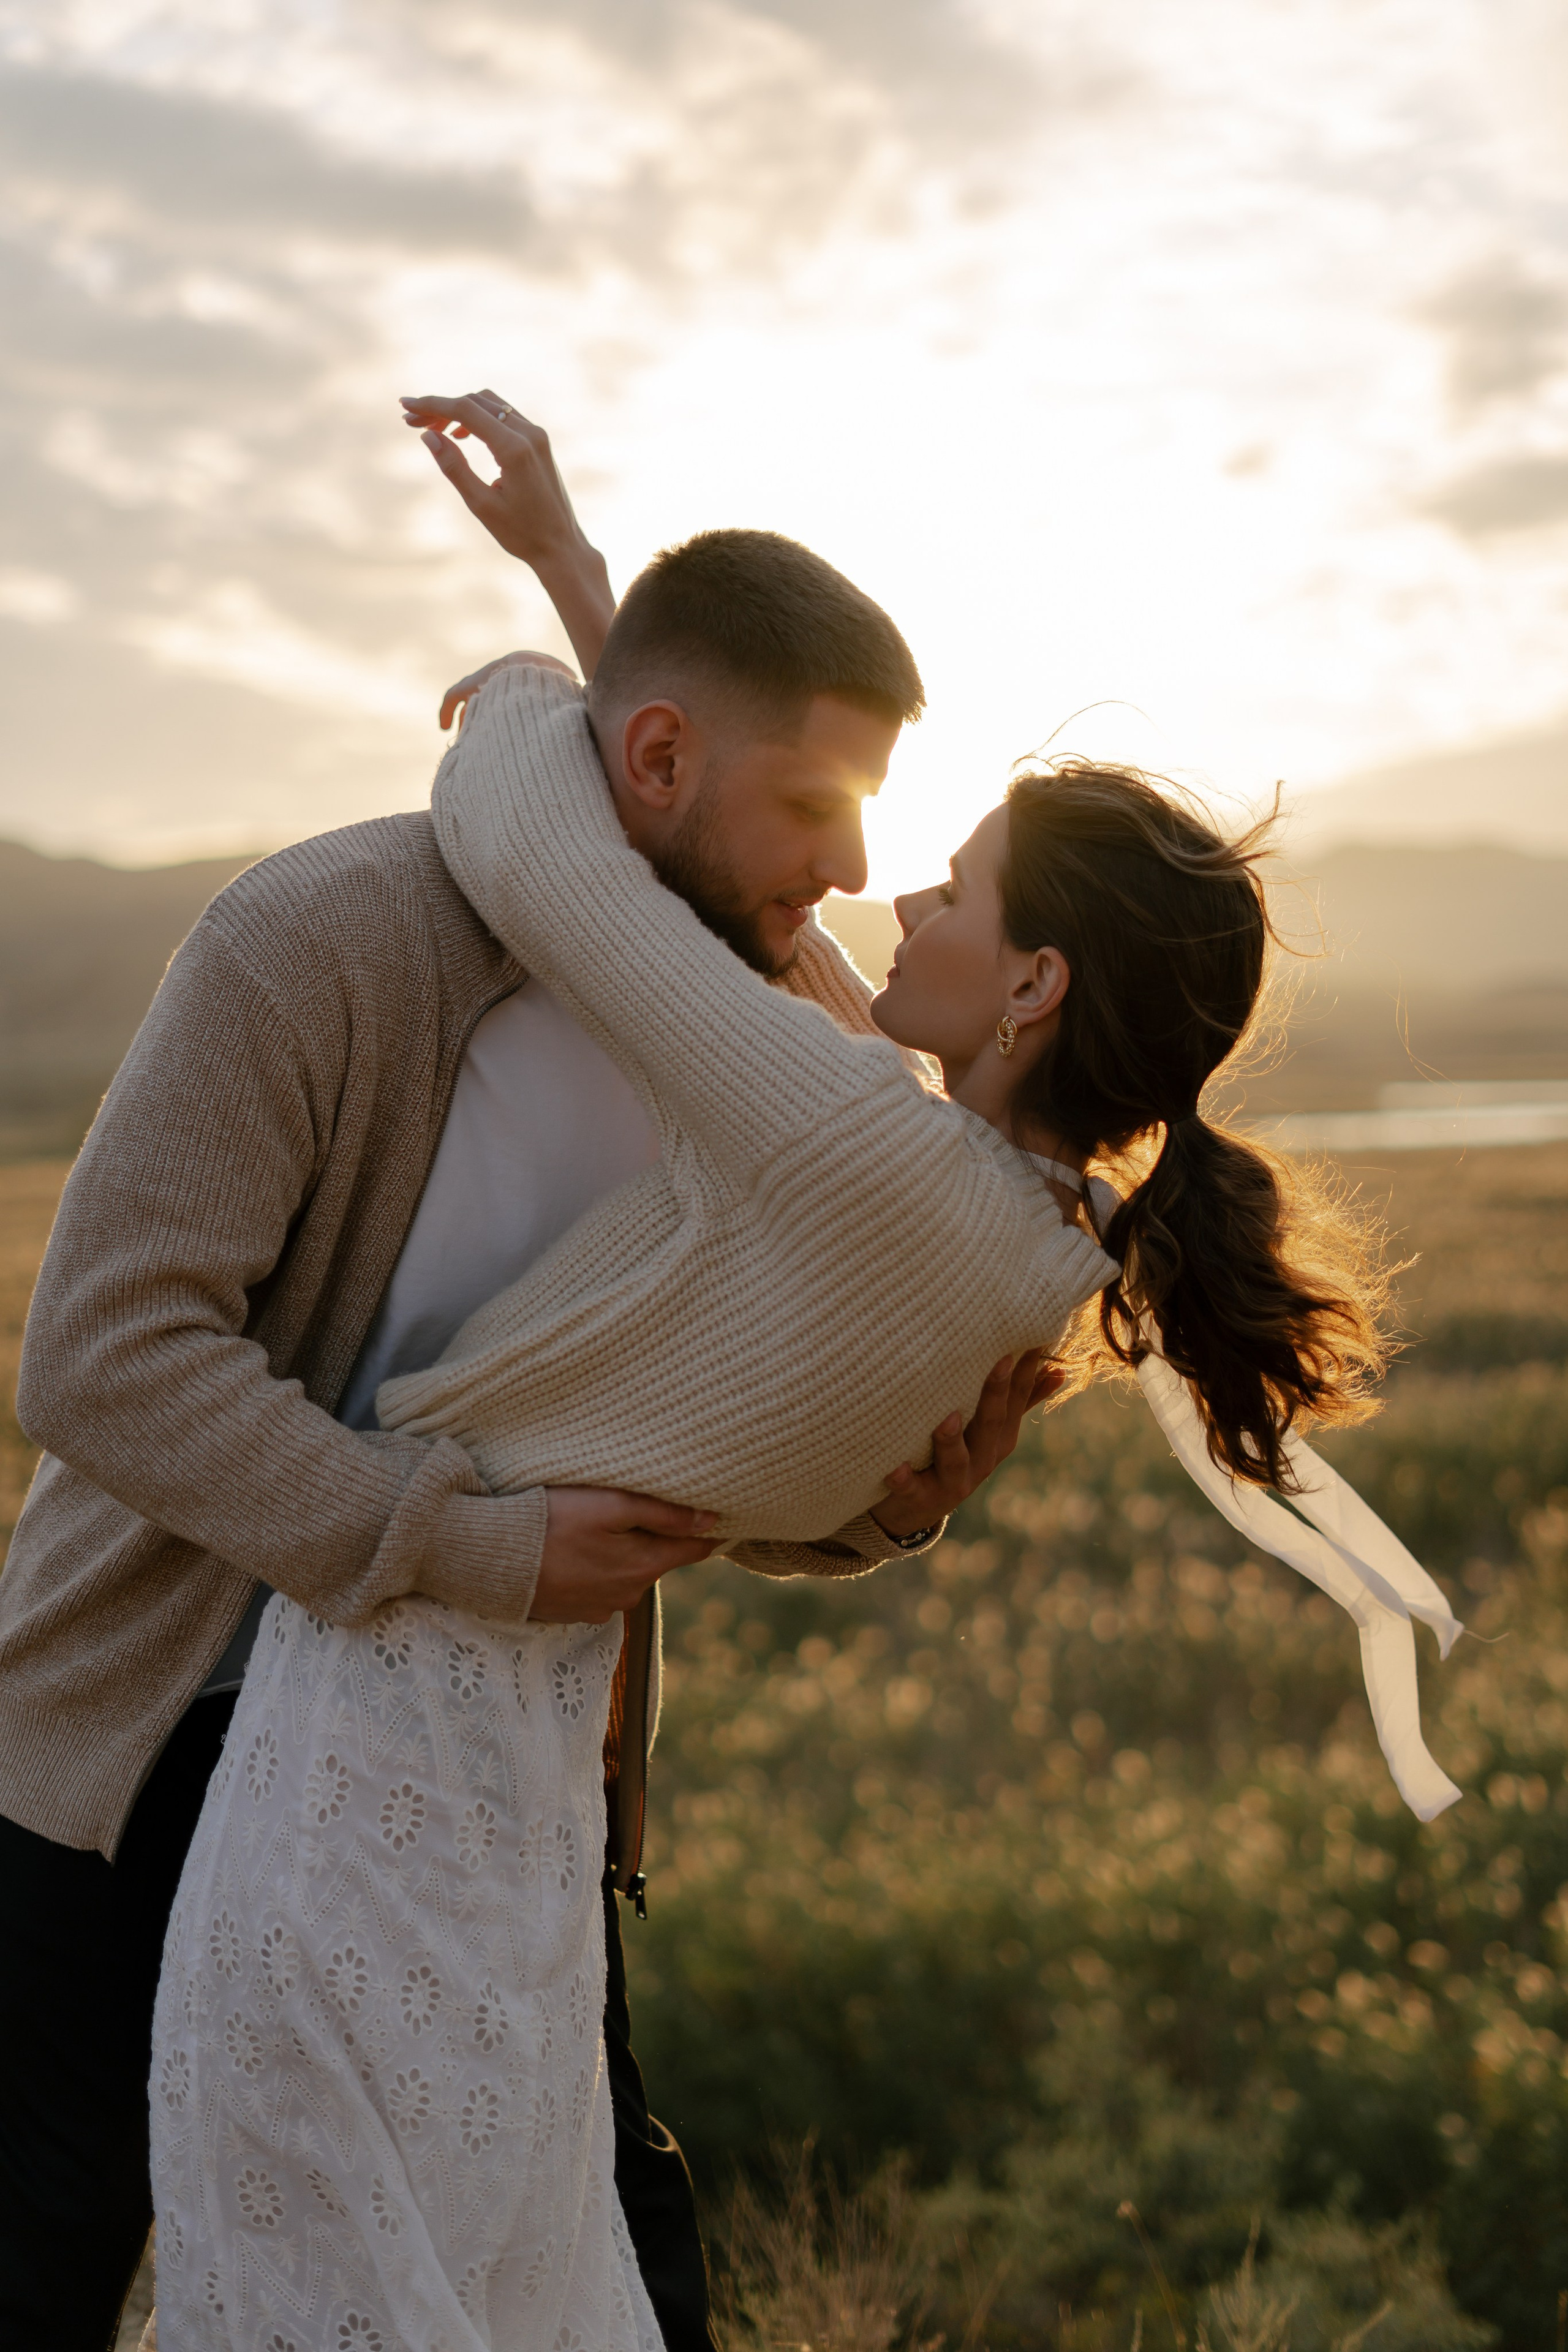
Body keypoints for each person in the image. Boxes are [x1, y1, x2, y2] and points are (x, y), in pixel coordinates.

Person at [148, 398, 1463, 2350]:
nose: (887, 906)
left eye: (952, 888)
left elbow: (553, 858)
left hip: (370, 1738)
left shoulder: (859, 1148)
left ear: (1031, 990)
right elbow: (798, 982)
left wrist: (530, 680)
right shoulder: (1025, 1233)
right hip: (527, 1786)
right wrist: (589, 585)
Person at [0, 445, 1039, 2352]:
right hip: (137, 1758)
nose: (856, 878)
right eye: (816, 803)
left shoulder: (787, 1040)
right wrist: (460, 1547)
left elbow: (686, 1476)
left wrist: (885, 1504)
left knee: (621, 2282)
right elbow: (104, 1358)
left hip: (485, 1789)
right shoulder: (321, 940)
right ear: (655, 766)